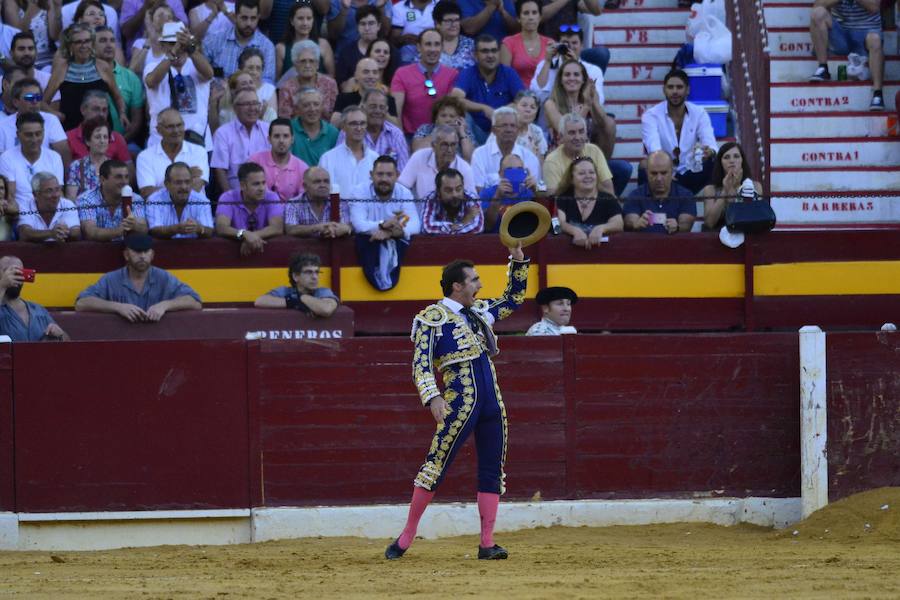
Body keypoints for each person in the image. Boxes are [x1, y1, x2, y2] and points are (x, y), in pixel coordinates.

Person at [384, 238, 528, 561]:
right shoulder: (431, 318)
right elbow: (420, 364)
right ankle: (406, 536)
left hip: (493, 402)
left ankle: (487, 543)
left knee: (493, 470)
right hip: (459, 403)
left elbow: (513, 298)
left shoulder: (479, 312)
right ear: (457, 286)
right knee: (435, 465)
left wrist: (518, 259)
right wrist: (432, 397)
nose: (480, 284)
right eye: (474, 280)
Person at [75, 233, 202, 322]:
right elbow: (81, 303)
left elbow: (195, 302)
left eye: (146, 251)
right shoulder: (111, 279)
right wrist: (118, 307)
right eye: (137, 251)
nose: (142, 256)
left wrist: (165, 305)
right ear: (126, 255)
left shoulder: (163, 277)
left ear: (152, 255)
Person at [640, 69, 717, 194]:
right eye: (670, 87)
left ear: (688, 90)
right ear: (664, 90)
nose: (675, 91)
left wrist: (710, 152)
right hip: (663, 174)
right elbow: (654, 148)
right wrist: (666, 171)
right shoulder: (651, 115)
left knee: (716, 162)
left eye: (679, 87)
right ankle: (649, 207)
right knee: (644, 165)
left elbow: (710, 142)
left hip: (691, 172)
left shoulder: (699, 113)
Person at [350, 155, 420, 290]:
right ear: (371, 175)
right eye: (380, 174)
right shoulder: (359, 191)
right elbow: (358, 224)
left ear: (397, 175)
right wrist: (382, 224)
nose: (384, 179)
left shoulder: (404, 193)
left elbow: (415, 225)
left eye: (389, 174)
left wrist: (391, 233)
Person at [43, 24, 126, 131]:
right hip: (71, 129)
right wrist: (55, 114)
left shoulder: (103, 67)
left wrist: (122, 113)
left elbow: (117, 97)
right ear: (70, 46)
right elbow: (43, 102)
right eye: (78, 42)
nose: (84, 45)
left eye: (87, 41)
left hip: (100, 131)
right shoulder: (61, 69)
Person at [144, 22, 214, 150]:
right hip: (161, 143)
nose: (178, 48)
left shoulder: (196, 64)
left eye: (182, 44)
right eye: (171, 43)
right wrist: (173, 52)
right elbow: (151, 81)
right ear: (162, 45)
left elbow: (209, 74)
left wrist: (190, 48)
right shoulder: (153, 66)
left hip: (198, 142)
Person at [809, 0, 884, 110]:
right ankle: (823, 67)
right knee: (817, 13)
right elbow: (817, 5)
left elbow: (875, 6)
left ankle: (877, 94)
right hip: (842, 35)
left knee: (875, 40)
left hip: (865, 34)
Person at [451, 35, 524, 141]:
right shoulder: (468, 73)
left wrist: (500, 113)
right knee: (461, 116)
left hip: (503, 129)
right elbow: (455, 99)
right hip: (475, 132)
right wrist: (483, 108)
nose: (490, 55)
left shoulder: (508, 73)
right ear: (475, 55)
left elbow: (523, 100)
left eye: (494, 51)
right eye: (485, 51)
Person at [544, 59, 615, 162]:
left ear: (583, 80)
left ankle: (602, 166)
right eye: (567, 75)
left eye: (576, 75)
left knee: (609, 122)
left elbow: (605, 125)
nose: (572, 78)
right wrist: (586, 106)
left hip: (587, 153)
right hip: (562, 155)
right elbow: (565, 130)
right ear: (561, 80)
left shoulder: (589, 96)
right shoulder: (550, 104)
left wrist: (593, 101)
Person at [390, 29, 458, 136]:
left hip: (442, 136)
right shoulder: (402, 73)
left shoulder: (452, 74)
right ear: (418, 47)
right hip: (409, 136)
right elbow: (395, 112)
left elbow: (452, 112)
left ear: (442, 47)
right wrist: (401, 141)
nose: (432, 49)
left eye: (436, 44)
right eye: (428, 44)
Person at [136, 108, 211, 200]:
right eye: (170, 127)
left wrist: (164, 186)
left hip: (194, 209)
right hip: (160, 211)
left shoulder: (199, 152)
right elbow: (147, 192)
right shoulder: (145, 157)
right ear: (158, 130)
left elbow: (197, 187)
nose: (176, 130)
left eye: (179, 125)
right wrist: (186, 178)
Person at [215, 161, 285, 255]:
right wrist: (244, 234)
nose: (262, 188)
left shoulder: (271, 196)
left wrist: (252, 236)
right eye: (256, 184)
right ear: (242, 185)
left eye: (263, 183)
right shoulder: (227, 197)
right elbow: (221, 227)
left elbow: (277, 227)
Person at [555, 156, 623, 249]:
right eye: (581, 173)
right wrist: (574, 231)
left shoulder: (608, 199)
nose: (588, 176)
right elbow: (556, 225)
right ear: (571, 179)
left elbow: (619, 224)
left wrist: (601, 228)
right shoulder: (562, 199)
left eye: (591, 172)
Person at [211, 89, 271, 192]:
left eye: (255, 103)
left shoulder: (269, 130)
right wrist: (230, 199)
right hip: (236, 193)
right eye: (247, 104)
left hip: (266, 193)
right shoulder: (223, 133)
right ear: (235, 108)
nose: (252, 108)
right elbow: (220, 169)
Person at [0, 78, 70, 165]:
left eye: (38, 97)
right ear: (15, 102)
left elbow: (64, 153)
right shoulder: (2, 126)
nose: (35, 101)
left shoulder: (51, 120)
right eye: (29, 98)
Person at [335, 87, 408, 171]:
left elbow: (403, 171)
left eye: (382, 107)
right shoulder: (348, 131)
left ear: (386, 110)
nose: (377, 111)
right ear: (362, 107)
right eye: (373, 107)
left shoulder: (396, 134)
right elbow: (339, 163)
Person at [94, 26, 145, 144]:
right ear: (92, 46)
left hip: (123, 142)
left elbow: (136, 122)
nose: (109, 45)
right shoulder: (86, 75)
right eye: (102, 41)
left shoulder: (130, 77)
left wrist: (118, 144)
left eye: (112, 41)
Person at [0, 112, 64, 207]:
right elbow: (10, 196)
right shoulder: (7, 157)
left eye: (38, 134)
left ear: (43, 133)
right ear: (18, 134)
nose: (34, 139)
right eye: (28, 135)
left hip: (49, 209)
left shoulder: (54, 157)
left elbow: (57, 192)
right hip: (20, 212)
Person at [203, 0, 276, 83]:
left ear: (258, 17)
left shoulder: (267, 47)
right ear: (235, 16)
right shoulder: (215, 40)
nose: (249, 23)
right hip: (219, 92)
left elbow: (268, 83)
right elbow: (200, 72)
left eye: (253, 18)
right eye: (244, 18)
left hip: (253, 94)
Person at [531, 24, 605, 105]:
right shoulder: (544, 65)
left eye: (574, 43)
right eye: (565, 43)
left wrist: (578, 67)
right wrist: (548, 61)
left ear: (582, 46)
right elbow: (536, 96)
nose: (570, 47)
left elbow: (599, 102)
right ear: (558, 45)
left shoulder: (593, 70)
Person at [471, 106, 541, 192]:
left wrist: (535, 187)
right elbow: (478, 189)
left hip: (522, 204)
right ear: (493, 130)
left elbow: (537, 189)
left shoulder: (529, 157)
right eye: (504, 125)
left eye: (513, 126)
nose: (509, 130)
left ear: (518, 130)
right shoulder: (480, 154)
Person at [624, 151, 695, 234]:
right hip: (643, 245)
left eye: (664, 173)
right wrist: (636, 224)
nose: (659, 178)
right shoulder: (635, 195)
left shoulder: (686, 195)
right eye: (654, 173)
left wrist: (678, 227)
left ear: (672, 172)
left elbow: (686, 225)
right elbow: (629, 220)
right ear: (646, 173)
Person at [0, 255, 69, 341]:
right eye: (7, 270)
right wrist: (2, 286)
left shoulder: (38, 309)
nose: (14, 275)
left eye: (19, 271)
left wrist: (60, 334)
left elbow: (67, 342)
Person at [543, 113, 613, 196]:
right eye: (572, 133)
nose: (578, 137)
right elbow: (553, 198)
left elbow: (608, 189)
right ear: (561, 137)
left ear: (586, 134)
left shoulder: (594, 150)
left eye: (581, 131)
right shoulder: (552, 161)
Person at [399, 124, 476, 201]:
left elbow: (473, 202)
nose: (449, 150)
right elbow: (401, 189)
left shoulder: (465, 168)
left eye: (453, 145)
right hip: (420, 212)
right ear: (433, 145)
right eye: (444, 145)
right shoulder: (419, 157)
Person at [78, 159, 148, 241]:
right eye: (118, 177)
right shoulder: (87, 199)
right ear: (102, 180)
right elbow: (90, 232)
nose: (124, 182)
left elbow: (144, 229)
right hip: (96, 252)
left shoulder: (136, 199)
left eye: (126, 177)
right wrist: (121, 230)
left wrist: (135, 225)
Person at [700, 142, 764, 231]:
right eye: (726, 157)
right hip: (717, 236)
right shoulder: (710, 189)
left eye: (736, 156)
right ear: (720, 163)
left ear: (742, 160)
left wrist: (739, 188)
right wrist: (725, 191)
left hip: (748, 235)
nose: (732, 161)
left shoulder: (756, 186)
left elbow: (755, 219)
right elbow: (709, 223)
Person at [318, 105, 379, 196]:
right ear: (343, 126)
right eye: (353, 124)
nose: (359, 128)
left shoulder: (375, 159)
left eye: (362, 123)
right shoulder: (328, 158)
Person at [254, 252, 340, 317]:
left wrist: (301, 298)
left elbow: (326, 309)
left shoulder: (323, 291)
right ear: (295, 276)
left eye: (317, 272)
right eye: (308, 272)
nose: (315, 277)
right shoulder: (285, 291)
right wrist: (295, 302)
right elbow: (259, 301)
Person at [146, 162, 215, 239]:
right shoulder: (154, 200)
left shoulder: (202, 201)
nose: (184, 187)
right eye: (178, 182)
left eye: (187, 182)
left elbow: (209, 231)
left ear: (192, 182)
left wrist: (199, 229)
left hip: (194, 250)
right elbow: (154, 231)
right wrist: (176, 229)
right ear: (166, 184)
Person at [249, 118, 309, 203]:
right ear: (269, 139)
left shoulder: (302, 168)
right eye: (277, 136)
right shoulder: (255, 161)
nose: (281, 141)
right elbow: (248, 194)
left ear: (292, 139)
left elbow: (302, 202)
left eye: (285, 136)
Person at [64, 90, 131, 163]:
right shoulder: (68, 138)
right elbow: (66, 171)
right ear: (83, 110)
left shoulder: (117, 138)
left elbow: (129, 172)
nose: (101, 114)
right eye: (96, 109)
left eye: (104, 110)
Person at [277, 39, 338, 120]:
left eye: (311, 61)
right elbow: (285, 120)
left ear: (317, 64)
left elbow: (334, 116)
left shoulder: (330, 84)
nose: (307, 65)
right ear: (295, 65)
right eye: (303, 61)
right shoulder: (286, 88)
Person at [285, 166, 352, 237]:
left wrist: (342, 229)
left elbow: (345, 226)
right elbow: (291, 229)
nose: (322, 185)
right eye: (317, 182)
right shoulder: (294, 204)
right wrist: (317, 228)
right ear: (305, 186)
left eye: (326, 181)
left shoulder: (340, 203)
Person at [480, 153, 538, 233]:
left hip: (524, 238)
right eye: (509, 170)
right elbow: (487, 226)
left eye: (519, 170)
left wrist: (537, 193)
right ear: (500, 173)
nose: (514, 174)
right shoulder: (488, 193)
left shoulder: (529, 193)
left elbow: (544, 221)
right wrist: (498, 196)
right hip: (496, 239)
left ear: (524, 172)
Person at [276, 1, 335, 79]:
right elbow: (277, 80)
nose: (305, 23)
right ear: (292, 21)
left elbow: (332, 76)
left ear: (313, 20)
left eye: (309, 18)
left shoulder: (323, 45)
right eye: (300, 18)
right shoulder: (281, 48)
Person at [18, 172, 81, 243]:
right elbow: (25, 234)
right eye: (49, 191)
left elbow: (76, 232)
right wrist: (51, 233)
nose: (55, 195)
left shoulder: (68, 204)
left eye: (57, 189)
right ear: (36, 194)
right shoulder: (25, 206)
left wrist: (62, 232)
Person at [332, 58, 399, 124]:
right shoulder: (343, 98)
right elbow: (334, 124)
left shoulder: (388, 100)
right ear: (356, 75)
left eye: (375, 72)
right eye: (366, 72)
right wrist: (359, 109)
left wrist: (381, 108)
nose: (371, 76)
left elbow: (397, 128)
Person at [500, 0, 550, 87]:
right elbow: (503, 78)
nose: (531, 17)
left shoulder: (550, 43)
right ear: (518, 18)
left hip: (545, 96)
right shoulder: (508, 43)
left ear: (540, 17)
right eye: (526, 13)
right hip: (517, 96)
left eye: (534, 13)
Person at [410, 95, 475, 161]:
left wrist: (462, 133)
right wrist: (438, 131)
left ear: (459, 119)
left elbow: (471, 158)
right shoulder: (425, 129)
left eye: (452, 116)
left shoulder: (464, 131)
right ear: (436, 118)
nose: (448, 119)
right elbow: (417, 152)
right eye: (443, 116)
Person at [211, 69, 279, 131]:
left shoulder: (268, 112)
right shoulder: (225, 115)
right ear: (233, 91)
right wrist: (258, 119)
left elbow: (271, 140)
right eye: (244, 83)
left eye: (251, 82)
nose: (249, 86)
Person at [414, 0, 473, 71]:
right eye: (449, 21)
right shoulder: (427, 45)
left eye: (457, 20)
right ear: (437, 23)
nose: (454, 24)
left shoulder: (471, 44)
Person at [422, 167, 483, 234]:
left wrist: (448, 229)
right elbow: (427, 228)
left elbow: (477, 228)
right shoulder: (431, 198)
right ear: (438, 191)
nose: (455, 195)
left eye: (458, 189)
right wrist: (463, 222)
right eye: (448, 190)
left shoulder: (471, 198)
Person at [2, 1, 60, 71]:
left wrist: (57, 8)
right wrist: (30, 10)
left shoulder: (48, 2)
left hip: (49, 60)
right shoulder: (11, 3)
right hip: (24, 60)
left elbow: (54, 36)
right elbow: (17, 37)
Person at [334, 4, 384, 85]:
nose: (367, 28)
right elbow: (341, 84)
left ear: (379, 26)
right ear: (357, 27)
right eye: (363, 24)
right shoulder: (346, 52)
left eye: (371, 23)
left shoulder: (390, 51)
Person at [8, 31, 61, 107]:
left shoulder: (48, 80)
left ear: (36, 52)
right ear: (11, 53)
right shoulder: (2, 82)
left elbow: (55, 116)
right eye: (21, 49)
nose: (27, 53)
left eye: (30, 48)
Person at [289, 87, 339, 166]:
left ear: (322, 107)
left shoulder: (333, 132)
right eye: (306, 105)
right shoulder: (288, 129)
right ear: (297, 109)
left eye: (316, 104)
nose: (312, 109)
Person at [64, 116, 111, 199]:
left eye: (105, 137)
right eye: (97, 137)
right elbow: (71, 200)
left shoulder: (113, 166)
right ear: (87, 141)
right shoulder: (77, 166)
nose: (102, 141)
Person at [327, 0, 392, 57]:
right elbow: (333, 35)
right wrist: (344, 9)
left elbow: (384, 33)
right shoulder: (337, 1)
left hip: (377, 57)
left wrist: (381, 8)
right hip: (345, 57)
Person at [236, 47, 279, 119]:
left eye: (258, 68)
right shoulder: (233, 88)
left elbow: (272, 122)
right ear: (241, 69)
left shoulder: (269, 90)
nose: (254, 72)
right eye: (250, 68)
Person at [390, 0, 436, 64]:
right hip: (408, 56)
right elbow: (394, 39)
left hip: (436, 51)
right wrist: (404, 39)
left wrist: (421, 40)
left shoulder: (441, 4)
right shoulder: (398, 8)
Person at [0, 175, 19, 241]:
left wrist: (4, 207)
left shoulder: (9, 205)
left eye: (1, 188)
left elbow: (16, 210)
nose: (0, 192)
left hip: (7, 247)